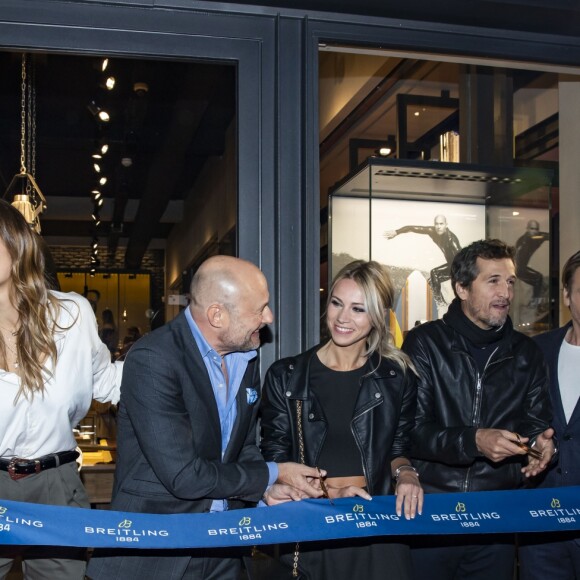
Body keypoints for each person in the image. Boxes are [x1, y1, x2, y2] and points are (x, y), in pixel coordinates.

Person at [87, 255, 323, 580]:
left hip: (226, 547)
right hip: (160, 551)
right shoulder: (154, 359)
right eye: (259, 309)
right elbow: (184, 476)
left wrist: (266, 490)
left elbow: (241, 448)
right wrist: (274, 473)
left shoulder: (245, 357)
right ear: (217, 315)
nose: (268, 317)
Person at [402, 239, 556, 580]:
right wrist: (474, 441)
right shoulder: (425, 343)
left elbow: (535, 426)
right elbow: (411, 431)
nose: (505, 292)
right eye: (493, 280)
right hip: (430, 511)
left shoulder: (527, 353)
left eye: (511, 281)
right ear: (461, 288)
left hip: (496, 519)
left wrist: (540, 447)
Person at [260, 259, 422, 579]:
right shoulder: (287, 376)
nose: (342, 317)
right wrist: (329, 494)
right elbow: (275, 459)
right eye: (336, 303)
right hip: (312, 521)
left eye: (358, 309)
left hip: (377, 523)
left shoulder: (396, 376)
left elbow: (399, 447)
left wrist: (406, 474)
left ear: (377, 316)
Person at [0, 199, 123, 579]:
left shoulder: (70, 315)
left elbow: (109, 382)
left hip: (57, 483)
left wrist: (179, 357)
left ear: (16, 244)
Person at [518, 250, 580, 580]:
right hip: (542, 521)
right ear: (567, 296)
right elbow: (519, 421)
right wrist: (536, 445)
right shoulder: (537, 350)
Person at [384, 215, 461, 305]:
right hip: (450, 267)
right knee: (430, 282)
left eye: (441, 224)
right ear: (434, 225)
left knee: (434, 273)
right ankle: (437, 304)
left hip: (457, 267)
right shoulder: (432, 231)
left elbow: (461, 259)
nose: (439, 227)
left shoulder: (452, 239)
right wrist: (397, 232)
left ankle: (440, 303)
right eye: (436, 224)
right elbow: (412, 228)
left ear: (446, 225)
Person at [514, 219, 550, 307]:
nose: (534, 231)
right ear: (527, 229)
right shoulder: (524, 240)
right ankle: (535, 302)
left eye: (536, 229)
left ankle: (537, 301)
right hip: (518, 268)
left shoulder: (538, 236)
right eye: (532, 229)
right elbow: (518, 259)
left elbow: (548, 235)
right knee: (538, 278)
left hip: (521, 267)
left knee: (540, 280)